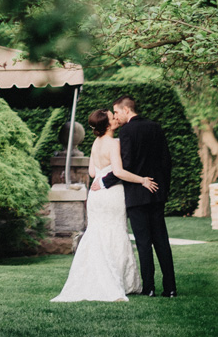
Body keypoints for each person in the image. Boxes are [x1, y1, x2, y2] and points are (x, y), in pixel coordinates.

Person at [50, 108, 152, 302]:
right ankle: (117, 281)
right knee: (115, 232)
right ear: (106, 125)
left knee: (97, 234)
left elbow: (91, 173)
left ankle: (98, 278)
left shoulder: (96, 143)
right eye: (113, 117)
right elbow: (119, 172)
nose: (116, 119)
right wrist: (142, 180)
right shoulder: (114, 143)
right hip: (111, 194)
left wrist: (102, 175)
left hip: (96, 197)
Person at [104, 95, 177, 297]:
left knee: (143, 242)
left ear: (126, 110)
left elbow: (126, 164)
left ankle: (149, 287)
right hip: (156, 194)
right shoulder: (156, 127)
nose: (116, 117)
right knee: (161, 240)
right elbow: (166, 161)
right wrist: (163, 189)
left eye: (117, 112)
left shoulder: (127, 131)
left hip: (136, 194)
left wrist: (105, 180)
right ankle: (170, 287)